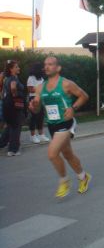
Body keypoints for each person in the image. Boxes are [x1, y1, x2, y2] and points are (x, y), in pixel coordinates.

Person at [28, 56, 91, 198]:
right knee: (67, 154)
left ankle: (63, 181)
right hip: (52, 125)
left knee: (52, 153)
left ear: (58, 68)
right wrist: (34, 106)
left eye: (50, 64)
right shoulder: (39, 88)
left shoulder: (66, 84)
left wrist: (73, 108)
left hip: (66, 122)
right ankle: (83, 177)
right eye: (45, 65)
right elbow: (37, 109)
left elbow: (84, 96)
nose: (47, 67)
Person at [0, 60, 25, 156]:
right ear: (11, 69)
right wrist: (15, 95)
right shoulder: (13, 78)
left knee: (10, 125)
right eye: (16, 67)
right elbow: (13, 87)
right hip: (14, 105)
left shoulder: (7, 78)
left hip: (7, 104)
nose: (19, 68)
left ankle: (2, 143)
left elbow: (3, 92)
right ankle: (13, 150)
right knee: (16, 126)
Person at [27, 62, 49, 143]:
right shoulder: (31, 78)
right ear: (37, 69)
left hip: (41, 98)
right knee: (33, 117)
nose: (43, 69)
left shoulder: (41, 78)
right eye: (42, 68)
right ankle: (32, 136)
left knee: (41, 117)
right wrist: (40, 89)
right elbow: (30, 89)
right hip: (33, 98)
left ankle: (41, 135)